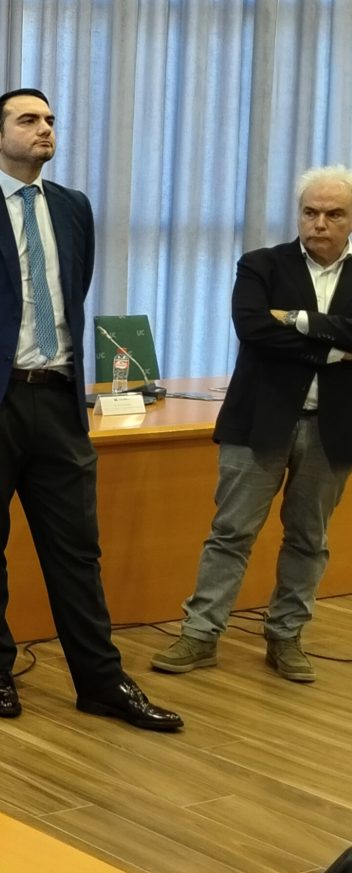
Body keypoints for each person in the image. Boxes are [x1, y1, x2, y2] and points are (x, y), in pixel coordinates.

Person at [0, 87, 182, 731]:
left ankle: (101, 681)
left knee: (77, 549)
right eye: (28, 120)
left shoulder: (73, 207)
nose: (44, 128)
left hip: (58, 399)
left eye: (50, 119)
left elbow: (73, 291)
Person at [153, 165, 352, 682]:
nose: (320, 224)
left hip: (333, 429)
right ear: (298, 215)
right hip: (258, 422)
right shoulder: (261, 264)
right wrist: (333, 350)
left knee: (308, 538)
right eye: (310, 212)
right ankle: (200, 634)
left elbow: (277, 330)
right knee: (231, 532)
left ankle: (286, 636)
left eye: (334, 214)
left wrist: (298, 320)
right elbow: (253, 329)